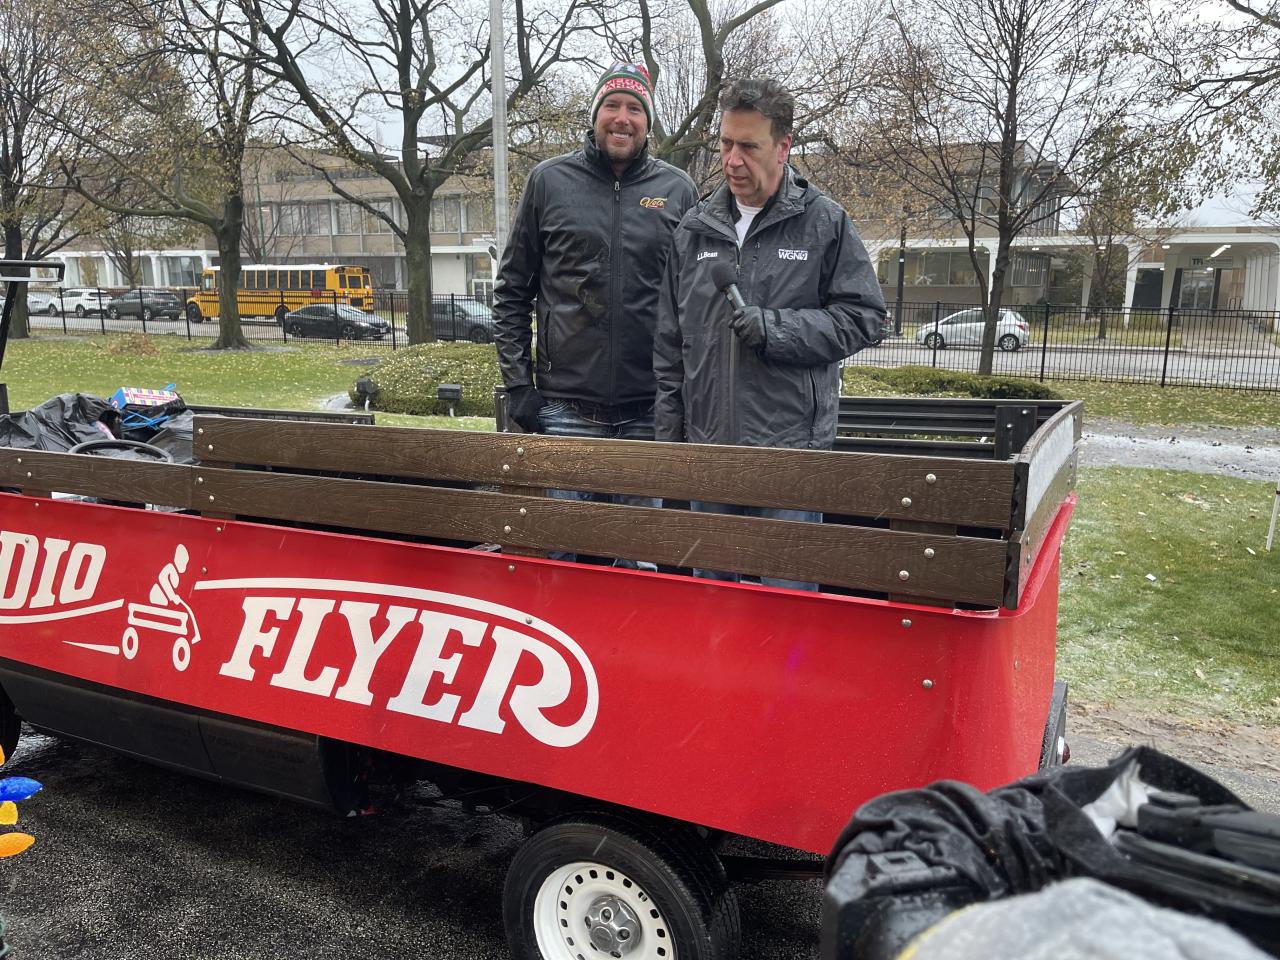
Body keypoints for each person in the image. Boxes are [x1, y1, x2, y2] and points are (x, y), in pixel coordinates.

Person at [653, 77, 887, 590]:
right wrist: (671, 446)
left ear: (783, 147)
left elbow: (866, 317)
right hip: (710, 455)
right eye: (725, 144)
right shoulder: (693, 230)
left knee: (789, 615)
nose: (732, 160)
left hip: (790, 456)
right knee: (713, 610)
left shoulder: (825, 223)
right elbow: (671, 348)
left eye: (748, 146)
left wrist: (776, 328)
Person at [494, 61, 697, 566]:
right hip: (566, 410)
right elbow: (512, 289)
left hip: (647, 410)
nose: (622, 118)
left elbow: (693, 303)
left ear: (648, 121)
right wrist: (519, 384)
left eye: (634, 108)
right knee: (560, 557)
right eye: (612, 105)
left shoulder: (678, 191)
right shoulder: (548, 182)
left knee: (637, 563)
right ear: (595, 115)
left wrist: (685, 392)